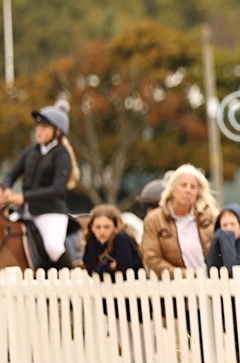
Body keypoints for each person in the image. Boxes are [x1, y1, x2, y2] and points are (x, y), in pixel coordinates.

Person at [0, 103, 82, 268]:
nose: (39, 130)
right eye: (38, 126)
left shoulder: (62, 156)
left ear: (57, 132)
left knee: (53, 248)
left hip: (50, 213)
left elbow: (57, 189)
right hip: (26, 212)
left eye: (44, 127)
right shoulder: (31, 151)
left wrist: (24, 197)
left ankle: (72, 279)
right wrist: (7, 188)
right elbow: (11, 174)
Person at [141, 164, 217, 276]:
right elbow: (152, 259)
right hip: (174, 288)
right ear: (172, 189)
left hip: (212, 284)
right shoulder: (154, 220)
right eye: (183, 185)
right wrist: (186, 275)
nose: (188, 190)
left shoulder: (210, 218)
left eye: (193, 187)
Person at [82, 204, 143, 281]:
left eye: (107, 227)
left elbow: (124, 268)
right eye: (98, 227)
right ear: (92, 227)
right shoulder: (92, 241)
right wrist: (109, 267)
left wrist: (101, 268)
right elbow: (91, 269)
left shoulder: (121, 238)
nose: (102, 231)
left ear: (115, 226)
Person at [206, 203, 240, 272]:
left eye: (232, 224)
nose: (229, 228)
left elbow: (233, 270)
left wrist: (227, 240)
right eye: (224, 225)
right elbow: (212, 269)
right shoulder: (219, 240)